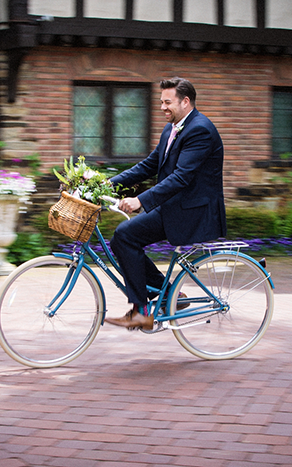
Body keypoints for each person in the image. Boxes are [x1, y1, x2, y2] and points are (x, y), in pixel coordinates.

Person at [105, 77, 227, 330]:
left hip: (192, 210)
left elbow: (181, 177)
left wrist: (141, 200)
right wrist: (108, 184)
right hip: (175, 205)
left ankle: (141, 311)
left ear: (185, 101)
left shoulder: (200, 130)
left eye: (167, 102)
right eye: (161, 102)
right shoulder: (171, 127)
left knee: (125, 236)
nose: (162, 107)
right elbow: (149, 165)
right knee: (123, 238)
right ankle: (169, 294)